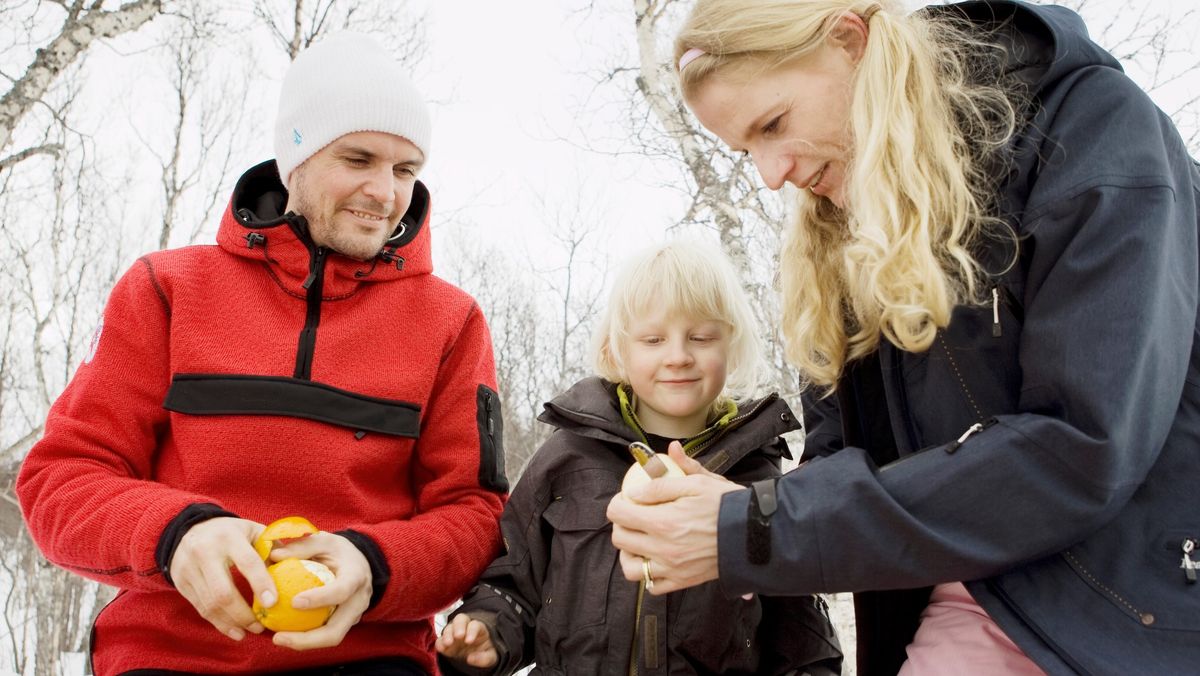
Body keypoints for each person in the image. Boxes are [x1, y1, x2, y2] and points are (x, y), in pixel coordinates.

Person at [606, 1, 1200, 675]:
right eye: (747, 151)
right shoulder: (837, 241)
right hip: (955, 611)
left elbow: (1081, 446)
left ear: (851, 40)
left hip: (1124, 614)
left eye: (775, 124)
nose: (771, 173)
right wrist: (730, 509)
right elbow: (841, 464)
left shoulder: (1092, 129)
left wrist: (756, 529)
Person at [16, 33, 508, 675]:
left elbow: (473, 515)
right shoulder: (166, 290)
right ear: (293, 160)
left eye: (405, 170)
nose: (386, 193)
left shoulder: (452, 322)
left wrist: (373, 564)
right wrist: (175, 534)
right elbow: (62, 479)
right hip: (166, 656)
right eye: (358, 158)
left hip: (368, 658)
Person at [434, 239, 843, 675]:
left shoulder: (758, 479)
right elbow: (514, 583)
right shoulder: (567, 458)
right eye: (653, 339)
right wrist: (486, 631)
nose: (679, 356)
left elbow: (799, 631)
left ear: (731, 345)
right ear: (617, 350)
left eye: (701, 337)